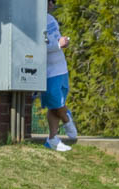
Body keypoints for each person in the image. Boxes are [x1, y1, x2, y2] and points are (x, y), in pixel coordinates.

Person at [42, 0, 74, 151]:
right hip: (47, 70)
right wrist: (57, 45)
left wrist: (63, 42)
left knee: (54, 105)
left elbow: (56, 40)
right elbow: (39, 46)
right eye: (49, 2)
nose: (51, 5)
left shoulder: (51, 19)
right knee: (54, 101)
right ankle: (67, 120)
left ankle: (52, 139)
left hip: (61, 67)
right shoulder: (35, 21)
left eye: (53, 2)